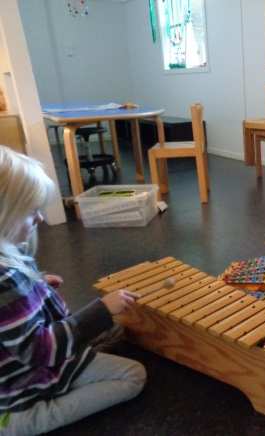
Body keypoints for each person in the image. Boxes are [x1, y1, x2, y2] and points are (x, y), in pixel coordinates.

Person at [0, 146, 146, 435]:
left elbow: (13, 314)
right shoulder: (5, 281)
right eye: (31, 212)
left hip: (27, 368)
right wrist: (101, 309)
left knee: (108, 336)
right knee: (133, 376)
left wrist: (37, 285)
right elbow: (40, 350)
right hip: (27, 385)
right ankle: (28, 420)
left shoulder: (7, 263)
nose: (40, 219)